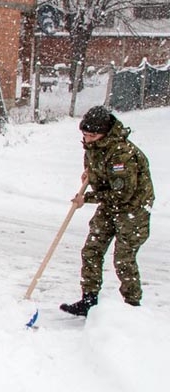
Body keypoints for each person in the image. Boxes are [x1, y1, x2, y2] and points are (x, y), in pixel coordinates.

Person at [60, 106, 154, 316]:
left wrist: (87, 198)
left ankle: (132, 306)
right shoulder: (94, 146)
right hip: (110, 205)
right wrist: (90, 175)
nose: (88, 139)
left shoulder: (122, 153)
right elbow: (98, 168)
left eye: (93, 135)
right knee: (91, 250)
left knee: (123, 258)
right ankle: (89, 300)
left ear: (106, 132)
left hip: (133, 208)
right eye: (85, 135)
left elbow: (123, 193)